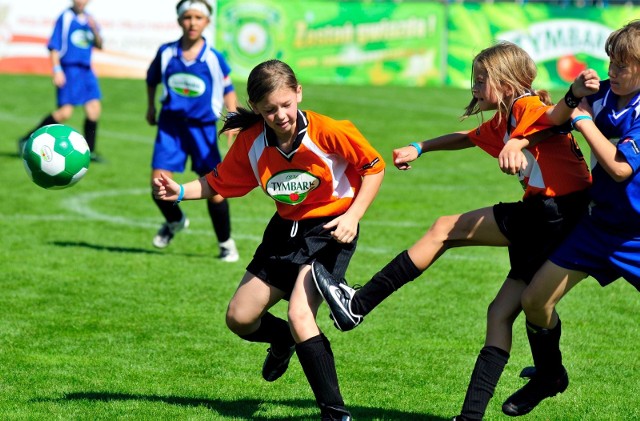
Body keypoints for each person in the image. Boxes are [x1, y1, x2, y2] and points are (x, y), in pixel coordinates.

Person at [311, 41, 599, 420]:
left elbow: (556, 117)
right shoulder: (507, 115)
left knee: (445, 228)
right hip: (552, 216)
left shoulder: (527, 106)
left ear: (508, 81)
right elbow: (467, 138)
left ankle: (358, 304)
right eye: (474, 80)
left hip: (555, 213)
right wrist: (421, 146)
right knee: (499, 314)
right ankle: (479, 412)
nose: (475, 88)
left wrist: (573, 94)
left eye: (482, 80)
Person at [153, 59, 385, 420]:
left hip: (329, 232)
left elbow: (373, 167)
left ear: (298, 94)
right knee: (240, 317)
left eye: (286, 105)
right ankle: (282, 342)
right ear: (257, 109)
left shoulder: (328, 131)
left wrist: (353, 216)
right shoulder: (251, 141)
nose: (280, 115)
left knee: (299, 315)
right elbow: (218, 181)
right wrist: (179, 190)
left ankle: (335, 412)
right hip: (283, 233)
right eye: (269, 110)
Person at [502, 20, 640, 417]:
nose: (613, 69)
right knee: (535, 300)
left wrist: (581, 119)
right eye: (612, 59)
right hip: (597, 226)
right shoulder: (602, 95)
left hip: (637, 235)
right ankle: (549, 375)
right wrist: (518, 139)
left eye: (624, 64)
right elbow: (552, 121)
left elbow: (619, 169)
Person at [146, 0, 240, 261]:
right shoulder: (166, 53)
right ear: (179, 20)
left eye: (198, 17)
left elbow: (229, 90)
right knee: (158, 186)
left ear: (207, 22)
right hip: (170, 128)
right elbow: (151, 79)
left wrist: (232, 117)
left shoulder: (213, 58)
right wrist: (150, 107)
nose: (192, 22)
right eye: (187, 17)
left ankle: (225, 243)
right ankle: (175, 221)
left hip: (202, 131)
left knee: (216, 190)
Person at [18, 0, 103, 162]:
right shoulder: (65, 18)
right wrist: (57, 70)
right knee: (65, 112)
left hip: (87, 70)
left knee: (94, 109)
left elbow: (99, 45)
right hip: (69, 69)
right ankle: (28, 139)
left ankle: (89, 152)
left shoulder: (90, 19)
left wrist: (94, 30)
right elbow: (54, 46)